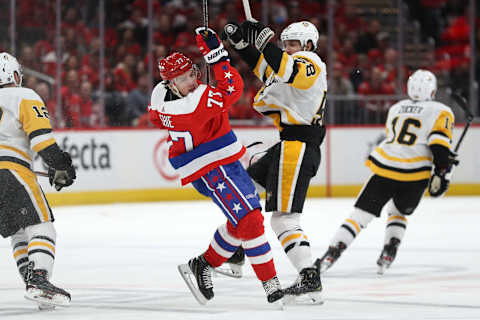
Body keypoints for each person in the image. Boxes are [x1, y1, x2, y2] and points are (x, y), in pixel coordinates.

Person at [148, 28, 283, 305]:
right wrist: (217, 54)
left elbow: (213, 95)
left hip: (216, 163)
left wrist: (212, 58)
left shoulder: (161, 99)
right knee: (250, 220)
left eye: (191, 74)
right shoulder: (192, 107)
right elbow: (233, 88)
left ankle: (203, 264)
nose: (191, 82)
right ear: (171, 85)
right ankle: (271, 283)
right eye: (183, 80)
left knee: (241, 221)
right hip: (212, 167)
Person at [222, 20, 327, 302]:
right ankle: (238, 249)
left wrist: (264, 45)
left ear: (307, 45)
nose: (288, 48)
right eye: (286, 44)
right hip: (289, 145)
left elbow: (289, 71)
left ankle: (309, 276)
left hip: (298, 147)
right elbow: (266, 67)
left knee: (284, 220)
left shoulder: (311, 61)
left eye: (293, 44)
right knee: (245, 191)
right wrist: (243, 45)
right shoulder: (288, 62)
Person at [318, 70, 458, 274]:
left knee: (360, 216)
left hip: (385, 167)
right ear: (433, 91)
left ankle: (331, 254)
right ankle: (389, 250)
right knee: (399, 211)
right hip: (415, 175)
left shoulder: (396, 108)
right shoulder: (441, 110)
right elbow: (438, 145)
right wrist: (444, 167)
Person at [0, 52, 76, 308]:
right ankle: (39, 280)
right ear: (14, 75)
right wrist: (60, 164)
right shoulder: (24, 96)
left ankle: (32, 281)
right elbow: (41, 139)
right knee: (42, 226)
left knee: (18, 230)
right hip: (12, 171)